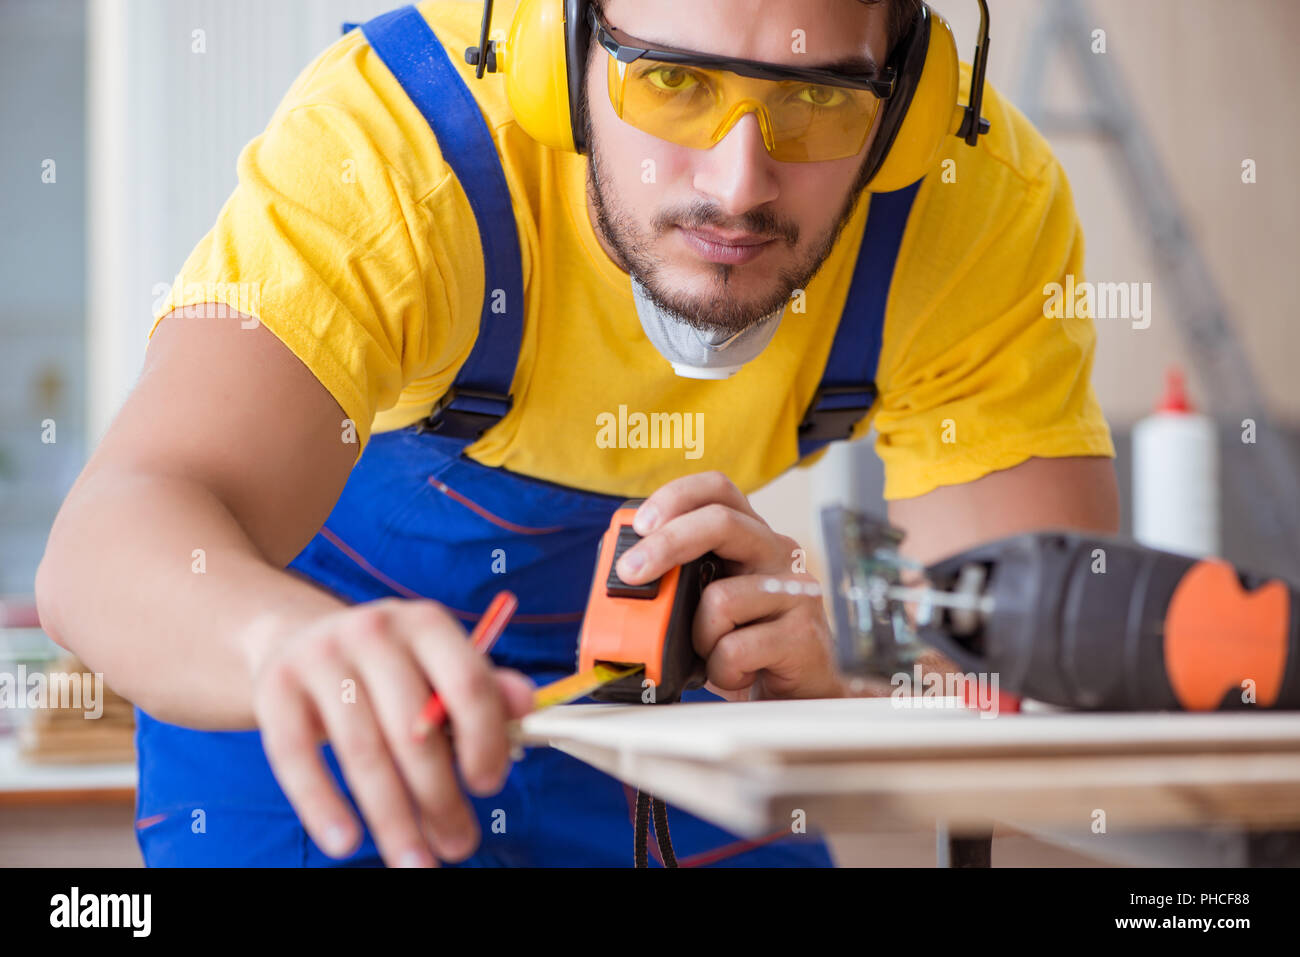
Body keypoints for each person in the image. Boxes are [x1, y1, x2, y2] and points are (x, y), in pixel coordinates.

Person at [37, 0, 1118, 867]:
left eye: (817, 98)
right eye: (672, 80)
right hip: (329, 686)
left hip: (663, 691)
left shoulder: (972, 211)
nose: (737, 185)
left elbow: (1047, 643)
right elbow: (111, 544)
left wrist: (870, 650)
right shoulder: (395, 156)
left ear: (910, 103)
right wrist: (283, 647)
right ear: (563, 58)